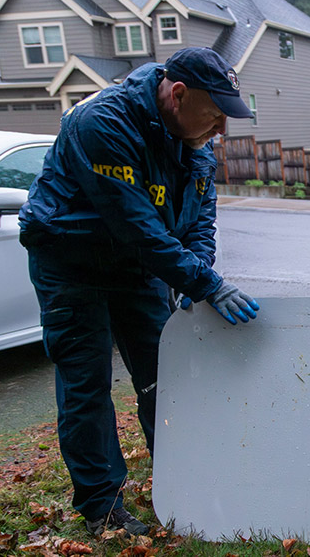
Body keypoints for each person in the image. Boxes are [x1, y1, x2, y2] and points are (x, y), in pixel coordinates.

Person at [19, 47, 261, 537]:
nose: (221, 131)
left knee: (165, 377)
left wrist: (197, 276)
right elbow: (137, 225)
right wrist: (205, 283)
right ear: (177, 95)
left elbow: (199, 222)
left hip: (136, 264)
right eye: (215, 115)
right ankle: (102, 507)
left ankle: (183, 479)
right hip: (70, 259)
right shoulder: (101, 122)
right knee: (87, 384)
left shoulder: (195, 144)